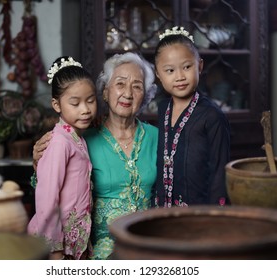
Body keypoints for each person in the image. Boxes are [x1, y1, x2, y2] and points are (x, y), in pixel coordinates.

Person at [32, 52, 158, 260]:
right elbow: (49, 191)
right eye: (120, 84)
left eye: (137, 86)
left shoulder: (157, 137)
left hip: (148, 242)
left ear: (145, 95)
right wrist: (37, 160)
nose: (128, 93)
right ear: (105, 92)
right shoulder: (82, 138)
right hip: (100, 248)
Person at [152, 26, 231, 208]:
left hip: (198, 215)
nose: (180, 76)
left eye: (187, 67)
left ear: (200, 66)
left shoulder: (212, 116)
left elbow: (220, 173)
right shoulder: (163, 109)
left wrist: (214, 217)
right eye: (170, 71)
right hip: (163, 211)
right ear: (158, 74)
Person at [27, 56, 97, 260]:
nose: (85, 109)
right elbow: (47, 198)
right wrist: (55, 250)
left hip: (75, 239)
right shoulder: (59, 142)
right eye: (75, 103)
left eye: (90, 100)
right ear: (56, 105)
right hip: (57, 244)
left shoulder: (76, 138)